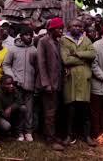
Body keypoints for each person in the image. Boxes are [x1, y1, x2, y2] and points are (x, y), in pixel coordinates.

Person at [60, 19, 97, 147]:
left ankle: (87, 136)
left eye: (79, 26)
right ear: (69, 27)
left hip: (84, 79)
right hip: (71, 79)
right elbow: (66, 60)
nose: (77, 28)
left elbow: (92, 54)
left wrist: (77, 53)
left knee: (85, 111)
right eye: (74, 25)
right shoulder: (64, 40)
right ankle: (69, 136)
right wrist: (83, 60)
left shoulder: (86, 40)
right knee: (70, 111)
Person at [3, 25, 37, 142]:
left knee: (29, 110)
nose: (29, 37)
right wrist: (13, 78)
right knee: (18, 109)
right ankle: (19, 132)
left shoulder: (34, 50)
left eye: (30, 35)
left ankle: (28, 132)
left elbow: (37, 67)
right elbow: (6, 64)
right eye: (26, 35)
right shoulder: (13, 49)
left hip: (30, 85)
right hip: (17, 85)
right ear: (21, 36)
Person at [36, 17, 64, 151]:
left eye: (62, 28)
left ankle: (51, 135)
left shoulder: (57, 42)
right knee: (49, 112)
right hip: (48, 84)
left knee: (54, 111)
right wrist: (46, 83)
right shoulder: (43, 41)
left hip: (57, 83)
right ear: (52, 29)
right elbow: (41, 63)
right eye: (59, 29)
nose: (61, 31)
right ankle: (50, 139)